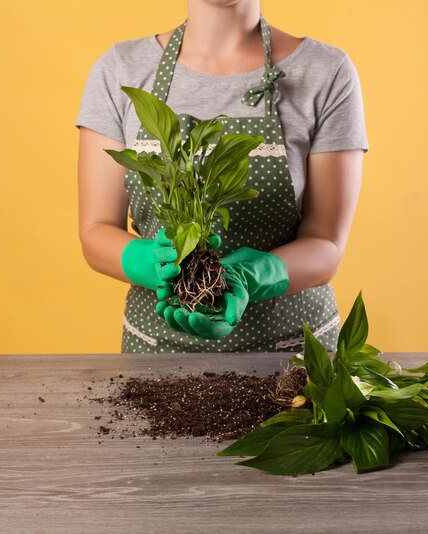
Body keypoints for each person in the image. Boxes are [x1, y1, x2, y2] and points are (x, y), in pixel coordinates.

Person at [75, 0, 369, 353]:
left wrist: (252, 275)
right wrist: (157, 265)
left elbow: (327, 242)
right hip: (156, 353)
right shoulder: (120, 69)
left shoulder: (326, 71)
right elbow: (95, 232)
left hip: (293, 355)